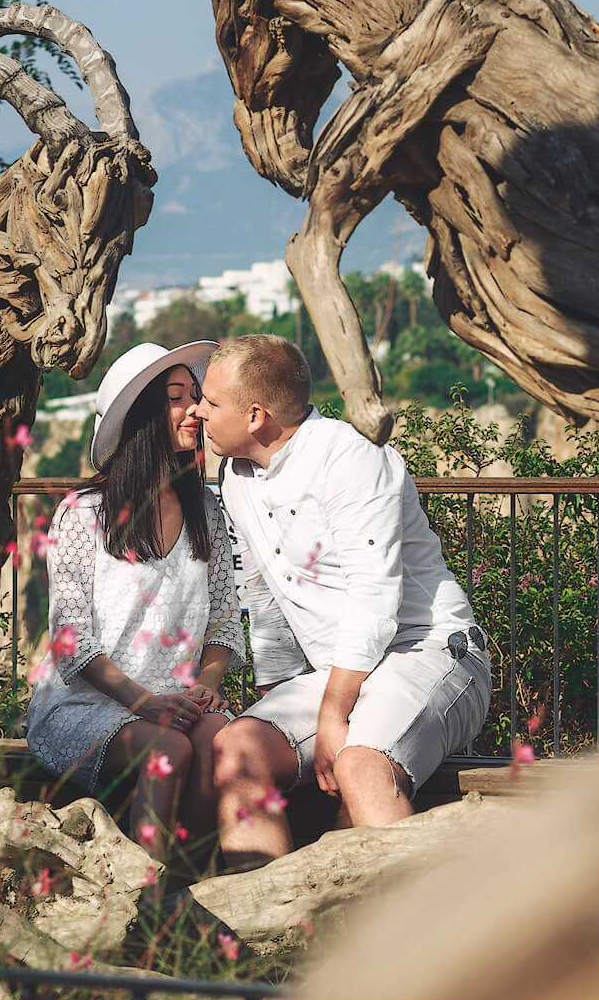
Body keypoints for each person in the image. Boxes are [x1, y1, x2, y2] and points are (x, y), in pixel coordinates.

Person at [197, 334, 489, 867]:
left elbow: (374, 597)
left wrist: (333, 715)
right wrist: (277, 692)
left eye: (212, 402)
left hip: (429, 653)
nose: (199, 410)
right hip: (342, 673)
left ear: (256, 415)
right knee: (238, 749)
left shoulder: (352, 457)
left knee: (360, 764)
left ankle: (419, 942)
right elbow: (262, 593)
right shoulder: (236, 477)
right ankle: (267, 932)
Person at [25, 340, 245, 881]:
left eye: (197, 397)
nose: (196, 409)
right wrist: (144, 702)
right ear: (144, 415)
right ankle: (144, 901)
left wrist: (207, 682)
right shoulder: (84, 515)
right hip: (86, 705)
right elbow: (69, 640)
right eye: (178, 398)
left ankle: (193, 893)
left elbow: (222, 623)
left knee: (221, 740)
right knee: (167, 749)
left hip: (173, 703)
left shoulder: (207, 512)